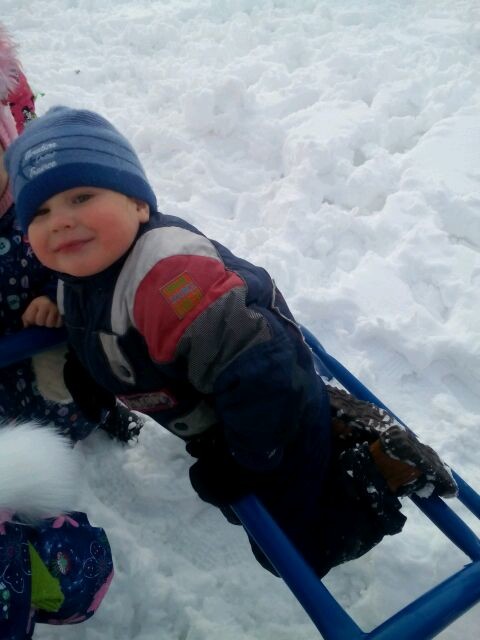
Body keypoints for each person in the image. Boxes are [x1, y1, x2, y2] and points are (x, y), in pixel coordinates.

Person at [4, 105, 458, 578]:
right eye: (41, 211)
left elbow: (261, 373)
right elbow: (104, 324)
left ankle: (381, 469)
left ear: (138, 205)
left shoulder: (169, 284)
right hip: (230, 405)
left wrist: (247, 460)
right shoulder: (82, 270)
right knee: (248, 501)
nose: (60, 220)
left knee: (293, 548)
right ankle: (330, 421)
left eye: (81, 197)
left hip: (267, 405)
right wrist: (85, 361)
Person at [0, 25, 142, 443]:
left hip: (50, 341)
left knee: (78, 389)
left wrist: (52, 296)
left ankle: (103, 415)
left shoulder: (35, 215)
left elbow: (75, 264)